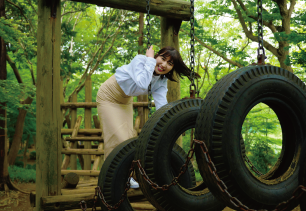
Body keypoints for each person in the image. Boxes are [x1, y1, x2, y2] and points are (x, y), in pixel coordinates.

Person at [96, 46, 197, 188]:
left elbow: (162, 106)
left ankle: (125, 177)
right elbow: (142, 82)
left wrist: (170, 122)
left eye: (170, 63)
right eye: (162, 58)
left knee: (128, 139)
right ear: (156, 56)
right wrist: (149, 60)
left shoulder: (161, 81)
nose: (164, 65)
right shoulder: (140, 61)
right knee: (117, 137)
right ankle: (111, 179)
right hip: (109, 96)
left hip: (125, 101)